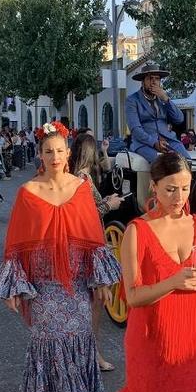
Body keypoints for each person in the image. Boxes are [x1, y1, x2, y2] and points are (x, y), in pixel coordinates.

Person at [0, 121, 120, 392]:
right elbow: (16, 243)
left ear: (68, 153)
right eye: (48, 151)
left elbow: (94, 238)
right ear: (40, 155)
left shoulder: (82, 189)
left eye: (59, 150)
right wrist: (15, 288)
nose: (55, 156)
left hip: (79, 286)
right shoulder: (28, 192)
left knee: (79, 341)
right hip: (44, 288)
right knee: (48, 346)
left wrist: (102, 284)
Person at [102, 153, 196, 392]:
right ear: (153, 186)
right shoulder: (137, 231)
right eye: (170, 189)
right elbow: (133, 296)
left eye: (185, 188)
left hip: (194, 344)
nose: (178, 197)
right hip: (153, 343)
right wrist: (174, 282)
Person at [68, 133, 123, 373]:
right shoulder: (82, 178)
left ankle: (86, 352)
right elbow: (87, 212)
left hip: (85, 241)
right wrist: (109, 205)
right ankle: (93, 353)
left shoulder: (76, 176)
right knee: (95, 302)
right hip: (89, 242)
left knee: (89, 301)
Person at [125, 62, 191, 163]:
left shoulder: (163, 98)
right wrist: (154, 142)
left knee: (187, 162)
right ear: (143, 82)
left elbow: (179, 119)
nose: (154, 82)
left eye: (157, 79)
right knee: (161, 164)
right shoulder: (132, 100)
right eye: (150, 78)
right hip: (144, 143)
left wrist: (166, 99)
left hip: (169, 140)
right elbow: (135, 129)